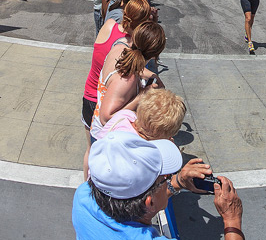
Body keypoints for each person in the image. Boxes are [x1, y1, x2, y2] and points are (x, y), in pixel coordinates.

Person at [73, 132, 245, 240]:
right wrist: (232, 220)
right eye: (164, 178)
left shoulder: (83, 195)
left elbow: (141, 202)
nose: (168, 177)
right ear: (150, 203)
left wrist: (176, 183)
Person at [91, 15, 167, 140]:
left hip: (101, 134)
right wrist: (142, 95)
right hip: (107, 139)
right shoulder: (127, 80)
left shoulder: (120, 49)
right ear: (155, 55)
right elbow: (106, 118)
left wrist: (151, 75)